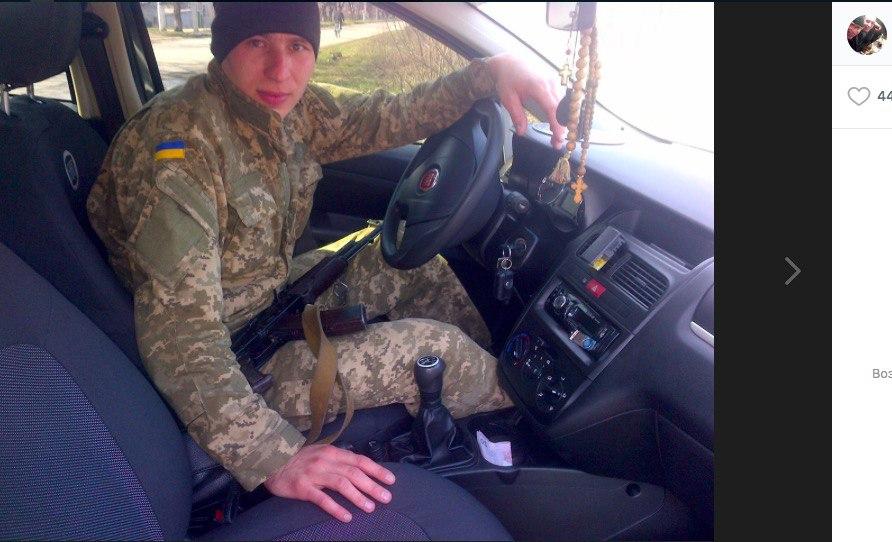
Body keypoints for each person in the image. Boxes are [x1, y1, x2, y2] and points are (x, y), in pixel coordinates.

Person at [85, 2, 565, 523]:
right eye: (256, 43)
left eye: (297, 46)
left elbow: (386, 115)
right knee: (437, 351)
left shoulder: (282, 111)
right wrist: (274, 455)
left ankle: (482, 407)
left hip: (268, 301)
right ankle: (544, 439)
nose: (280, 70)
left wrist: (489, 73)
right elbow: (182, 336)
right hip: (232, 361)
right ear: (224, 48)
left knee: (413, 266)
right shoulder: (177, 150)